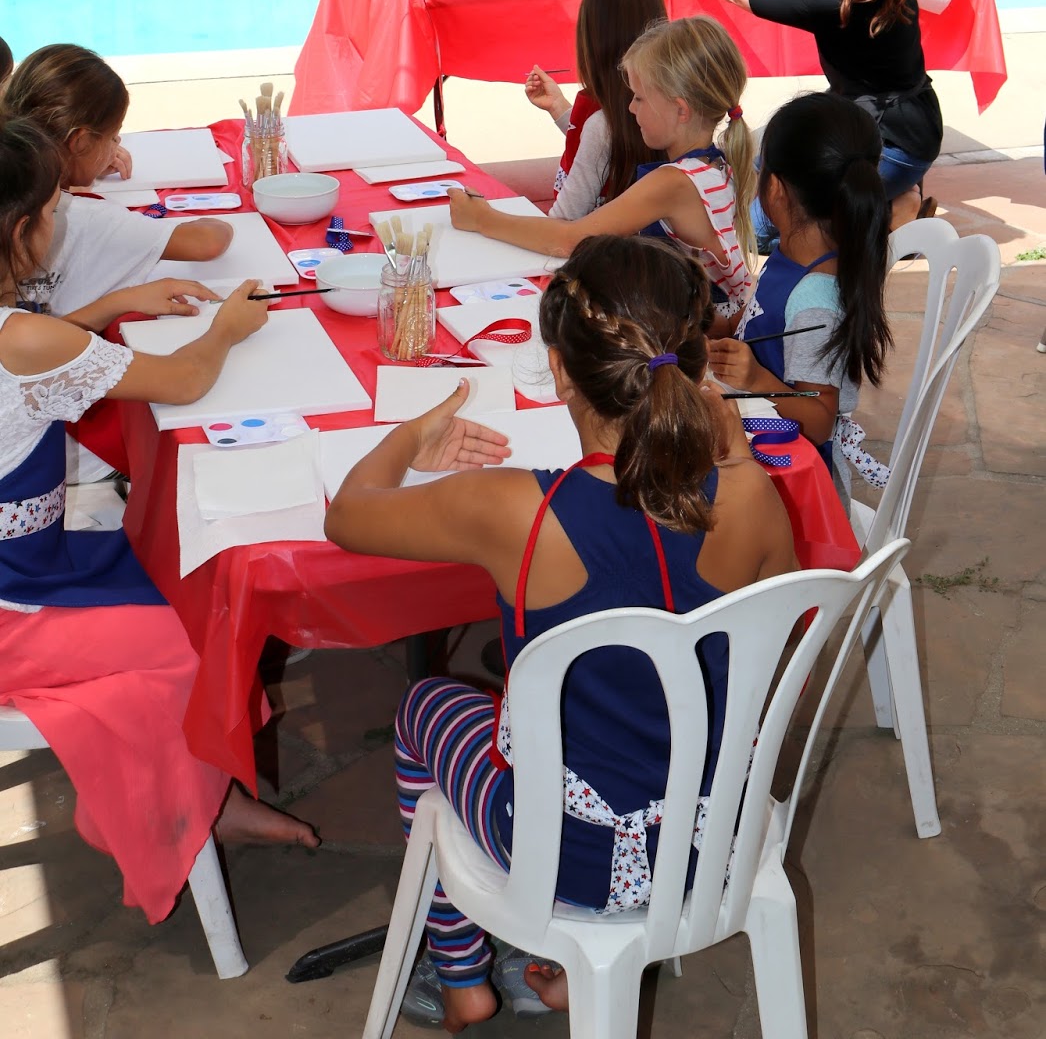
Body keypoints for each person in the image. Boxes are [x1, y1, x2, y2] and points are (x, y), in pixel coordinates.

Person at [325, 235, 795, 1031]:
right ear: (693, 366)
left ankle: (462, 974)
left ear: (560, 370)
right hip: (714, 840)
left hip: (566, 857)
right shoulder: (750, 497)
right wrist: (742, 464)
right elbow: (782, 634)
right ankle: (583, 975)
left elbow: (347, 514)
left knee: (424, 709)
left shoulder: (517, 509)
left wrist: (411, 437)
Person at [0, 116, 318, 924]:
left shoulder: (25, 336)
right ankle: (165, 812)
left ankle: (206, 790)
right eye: (51, 213)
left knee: (193, 574)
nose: (58, 225)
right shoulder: (24, 338)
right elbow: (180, 381)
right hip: (16, 603)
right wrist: (226, 330)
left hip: (32, 564)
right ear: (19, 229)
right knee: (202, 628)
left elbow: (28, 355)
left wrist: (114, 303)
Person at [644, 0, 943, 226]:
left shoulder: (840, 0)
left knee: (766, 226)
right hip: (897, 117)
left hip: (892, 142)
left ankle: (894, 208)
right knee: (772, 159)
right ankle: (887, 198)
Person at [452, 16, 757, 323]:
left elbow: (570, 239)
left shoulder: (675, 182)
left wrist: (482, 218)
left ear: (680, 109)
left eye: (639, 98)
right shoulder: (714, 162)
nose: (631, 108)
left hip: (703, 330)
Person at [707, 93, 893, 504]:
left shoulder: (814, 303)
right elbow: (749, 321)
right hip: (757, 445)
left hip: (793, 489)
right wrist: (703, 323)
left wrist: (755, 379)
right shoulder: (790, 257)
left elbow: (818, 422)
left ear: (774, 189)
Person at [4, 44, 234, 318]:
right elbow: (207, 242)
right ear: (80, 142)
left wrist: (84, 165)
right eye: (113, 136)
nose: (118, 143)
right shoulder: (86, 218)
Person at [524, 0, 667, 219]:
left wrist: (486, 219)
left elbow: (563, 220)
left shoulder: (601, 127)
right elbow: (610, 143)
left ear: (591, 43)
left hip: (595, 242)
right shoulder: (661, 105)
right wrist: (558, 106)